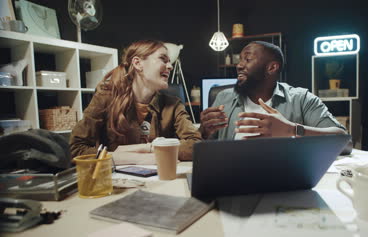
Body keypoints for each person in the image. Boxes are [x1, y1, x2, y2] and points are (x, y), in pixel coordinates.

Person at [70, 40, 202, 164]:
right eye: (163, 59)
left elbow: (195, 146)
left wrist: (150, 148)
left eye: (170, 62)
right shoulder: (106, 97)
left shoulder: (173, 104)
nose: (170, 66)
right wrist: (132, 158)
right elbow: (76, 149)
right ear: (138, 64)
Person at [199, 41, 348, 142]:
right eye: (240, 60)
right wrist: (204, 131)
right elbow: (203, 146)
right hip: (231, 178)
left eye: (247, 59)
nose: (239, 65)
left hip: (286, 179)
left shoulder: (301, 99)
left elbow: (344, 140)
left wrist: (292, 130)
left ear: (271, 67)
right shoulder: (224, 98)